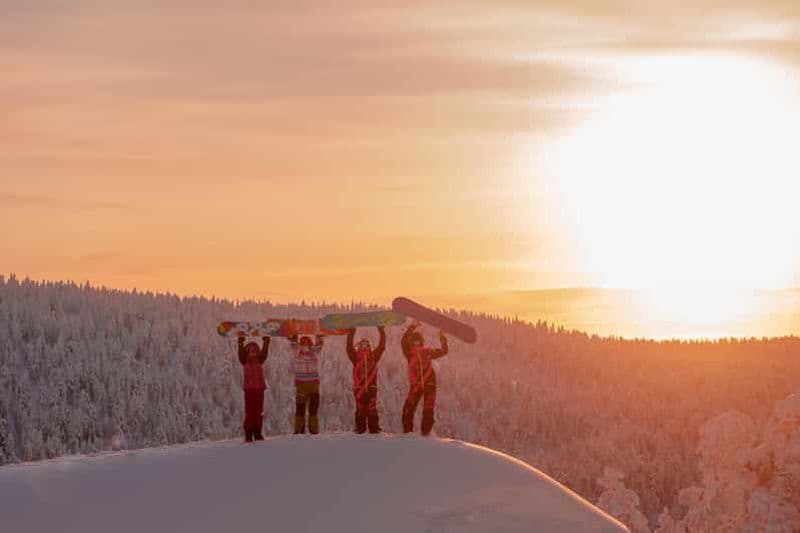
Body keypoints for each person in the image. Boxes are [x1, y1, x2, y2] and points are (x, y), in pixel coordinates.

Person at [401, 321, 448, 436]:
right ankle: (408, 434)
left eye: (418, 341)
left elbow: (443, 351)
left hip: (429, 382)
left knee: (428, 408)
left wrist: (442, 337)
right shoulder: (409, 353)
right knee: (408, 409)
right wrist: (412, 327)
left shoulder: (427, 352)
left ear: (421, 342)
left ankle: (426, 433)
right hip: (415, 385)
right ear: (411, 342)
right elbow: (403, 342)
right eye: (414, 341)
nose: (416, 344)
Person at [345, 326, 387, 434]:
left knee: (372, 408)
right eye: (362, 345)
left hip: (372, 387)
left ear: (369, 346)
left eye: (366, 345)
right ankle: (360, 429)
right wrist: (351, 332)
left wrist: (381, 330)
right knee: (360, 409)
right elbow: (349, 348)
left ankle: (374, 429)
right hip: (359, 388)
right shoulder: (355, 357)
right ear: (359, 346)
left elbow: (382, 346)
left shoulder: (373, 357)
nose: (364, 347)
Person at [288, 334, 324, 434]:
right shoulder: (297, 353)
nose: (305, 346)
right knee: (300, 410)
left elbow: (318, 348)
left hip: (313, 385)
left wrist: (319, 339)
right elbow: (294, 347)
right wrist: (293, 339)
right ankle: (299, 431)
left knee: (313, 410)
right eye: (303, 344)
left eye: (307, 344)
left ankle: (314, 431)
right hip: (301, 386)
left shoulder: (314, 353)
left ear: (310, 345)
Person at [238, 335, 270, 442]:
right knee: (250, 412)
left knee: (259, 412)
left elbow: (264, 354)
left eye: (255, 351)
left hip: (259, 389)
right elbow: (241, 355)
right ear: (247, 352)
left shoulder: (259, 360)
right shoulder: (245, 361)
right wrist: (240, 343)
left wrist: (266, 342)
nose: (253, 353)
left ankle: (257, 433)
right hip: (249, 390)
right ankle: (248, 434)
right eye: (250, 351)